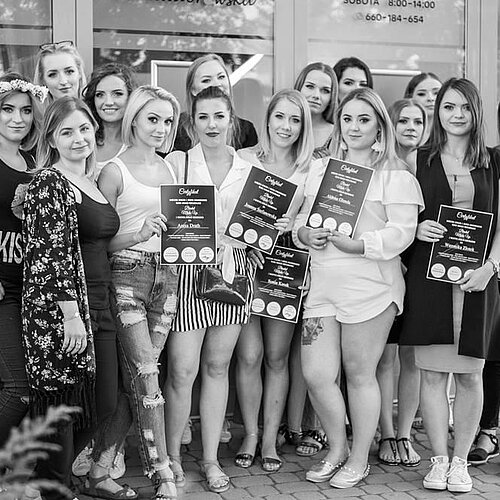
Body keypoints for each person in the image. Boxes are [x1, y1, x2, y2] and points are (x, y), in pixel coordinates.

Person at [294, 87, 423, 489]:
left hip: (371, 287)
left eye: (364, 119)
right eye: (347, 118)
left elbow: (403, 232)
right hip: (323, 285)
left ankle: (359, 458)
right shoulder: (321, 169)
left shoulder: (396, 174)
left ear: (379, 127)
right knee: (316, 375)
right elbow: (300, 219)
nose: (354, 127)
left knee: (359, 373)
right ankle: (336, 448)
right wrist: (305, 234)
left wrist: (361, 245)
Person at [399, 78, 500, 493]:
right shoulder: (418, 159)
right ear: (437, 111)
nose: (456, 115)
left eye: (464, 107)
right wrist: (415, 228)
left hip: (477, 284)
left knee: (471, 376)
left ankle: (461, 463)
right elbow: (399, 215)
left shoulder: (494, 161)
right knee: (432, 375)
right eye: (448, 107)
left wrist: (491, 267)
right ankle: (438, 460)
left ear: (476, 112)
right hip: (430, 281)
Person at [164, 86, 256, 494]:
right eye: (203, 117)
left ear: (231, 119)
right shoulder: (178, 163)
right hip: (187, 273)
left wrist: (265, 233)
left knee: (218, 367)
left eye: (219, 116)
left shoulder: (249, 169)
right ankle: (170, 457)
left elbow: (261, 223)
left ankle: (210, 459)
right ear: (192, 123)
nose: (212, 124)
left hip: (233, 273)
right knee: (183, 370)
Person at [22, 96, 110, 499]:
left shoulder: (92, 180)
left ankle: (47, 480)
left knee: (101, 402)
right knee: (63, 403)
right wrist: (70, 315)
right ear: (52, 139)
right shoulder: (48, 182)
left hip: (99, 303)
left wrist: (142, 233)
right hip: (63, 310)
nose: (79, 138)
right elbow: (49, 252)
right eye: (67, 132)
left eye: (84, 128)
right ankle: (54, 487)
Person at [96, 85, 181, 500]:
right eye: (153, 119)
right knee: (147, 376)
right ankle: (162, 473)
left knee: (138, 382)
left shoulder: (170, 168)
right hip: (127, 275)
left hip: (168, 278)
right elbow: (96, 242)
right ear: (133, 119)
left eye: (168, 120)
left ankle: (98, 468)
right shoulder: (113, 171)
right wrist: (139, 233)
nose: (161, 128)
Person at [234, 89, 314, 472]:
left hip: (285, 265)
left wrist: (294, 223)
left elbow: (316, 221)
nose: (286, 126)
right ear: (267, 120)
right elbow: (227, 211)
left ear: (304, 126)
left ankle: (269, 439)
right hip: (246, 262)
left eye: (295, 120)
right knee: (249, 355)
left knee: (277, 357)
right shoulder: (243, 159)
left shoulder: (311, 169)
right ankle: (250, 433)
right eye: (280, 117)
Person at [375, 98, 427, 467]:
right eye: (403, 120)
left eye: (417, 121)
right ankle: (385, 433)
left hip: (421, 274)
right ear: (390, 125)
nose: (410, 127)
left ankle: (405, 433)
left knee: (412, 358)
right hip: (388, 271)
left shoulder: (432, 165)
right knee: (384, 358)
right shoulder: (380, 167)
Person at [0, 73, 44, 447]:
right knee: (19, 390)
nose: (18, 118)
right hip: (2, 290)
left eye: (26, 110)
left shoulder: (34, 162)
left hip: (28, 289)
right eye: (8, 109)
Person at [173, 53, 258, 152]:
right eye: (206, 80)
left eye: (221, 77)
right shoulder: (176, 127)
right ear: (193, 90)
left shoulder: (246, 130)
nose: (217, 84)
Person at [83, 62, 137, 177]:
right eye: (100, 95)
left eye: (117, 94)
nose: (108, 102)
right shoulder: (83, 139)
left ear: (131, 97)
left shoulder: (138, 143)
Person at [404, 72, 442, 142]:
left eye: (436, 93)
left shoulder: (453, 133)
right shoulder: (397, 132)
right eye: (421, 94)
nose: (430, 98)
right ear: (410, 98)